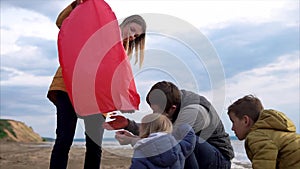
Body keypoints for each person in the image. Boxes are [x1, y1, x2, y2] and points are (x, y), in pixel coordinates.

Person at [47, 1, 146, 169]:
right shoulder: (98, 28)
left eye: (136, 36)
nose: (132, 36)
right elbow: (61, 23)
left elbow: (116, 82)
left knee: (94, 146)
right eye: (132, 30)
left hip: (96, 99)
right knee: (64, 139)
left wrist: (122, 101)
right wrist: (77, 5)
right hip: (68, 87)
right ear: (125, 24)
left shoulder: (122, 54)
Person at [104, 81, 234, 169]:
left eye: (157, 112)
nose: (155, 115)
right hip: (195, 154)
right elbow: (159, 132)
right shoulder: (173, 99)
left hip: (219, 160)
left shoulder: (193, 112)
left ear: (172, 108)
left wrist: (132, 140)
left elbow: (166, 144)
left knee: (186, 141)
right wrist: (127, 124)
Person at [227, 95, 300, 169]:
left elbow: (264, 163)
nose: (232, 128)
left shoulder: (256, 136)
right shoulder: (276, 132)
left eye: (233, 122)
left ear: (246, 121)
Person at [123, 113, 196, 169]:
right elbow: (189, 138)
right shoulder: (177, 146)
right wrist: (183, 125)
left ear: (144, 129)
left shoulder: (142, 150)